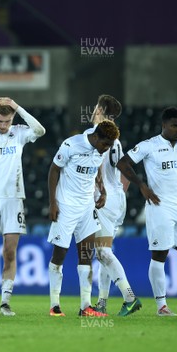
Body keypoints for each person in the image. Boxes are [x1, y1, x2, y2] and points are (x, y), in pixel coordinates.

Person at [116, 107, 177, 317]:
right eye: (174, 125)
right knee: (160, 255)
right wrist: (141, 185)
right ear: (164, 125)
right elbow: (123, 163)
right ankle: (162, 306)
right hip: (159, 207)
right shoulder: (150, 146)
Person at [0, 97, 46, 316]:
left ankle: (5, 302)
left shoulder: (20, 133)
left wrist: (18, 107)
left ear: (12, 118)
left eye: (7, 121)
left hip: (13, 198)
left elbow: (40, 130)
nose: (3, 126)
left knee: (9, 252)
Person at [47, 120, 118, 317]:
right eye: (105, 144)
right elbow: (54, 170)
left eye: (109, 146)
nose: (106, 149)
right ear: (96, 137)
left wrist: (102, 191)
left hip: (87, 207)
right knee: (59, 255)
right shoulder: (72, 145)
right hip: (66, 207)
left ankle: (85, 306)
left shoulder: (100, 151)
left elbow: (95, 171)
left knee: (86, 255)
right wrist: (52, 203)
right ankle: (54, 306)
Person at [88, 95, 142, 317]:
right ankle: (101, 302)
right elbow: (124, 171)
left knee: (101, 251)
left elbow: (97, 170)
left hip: (104, 199)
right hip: (117, 198)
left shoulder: (97, 136)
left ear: (99, 109)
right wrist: (117, 195)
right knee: (104, 252)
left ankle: (129, 297)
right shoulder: (115, 139)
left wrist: (104, 194)